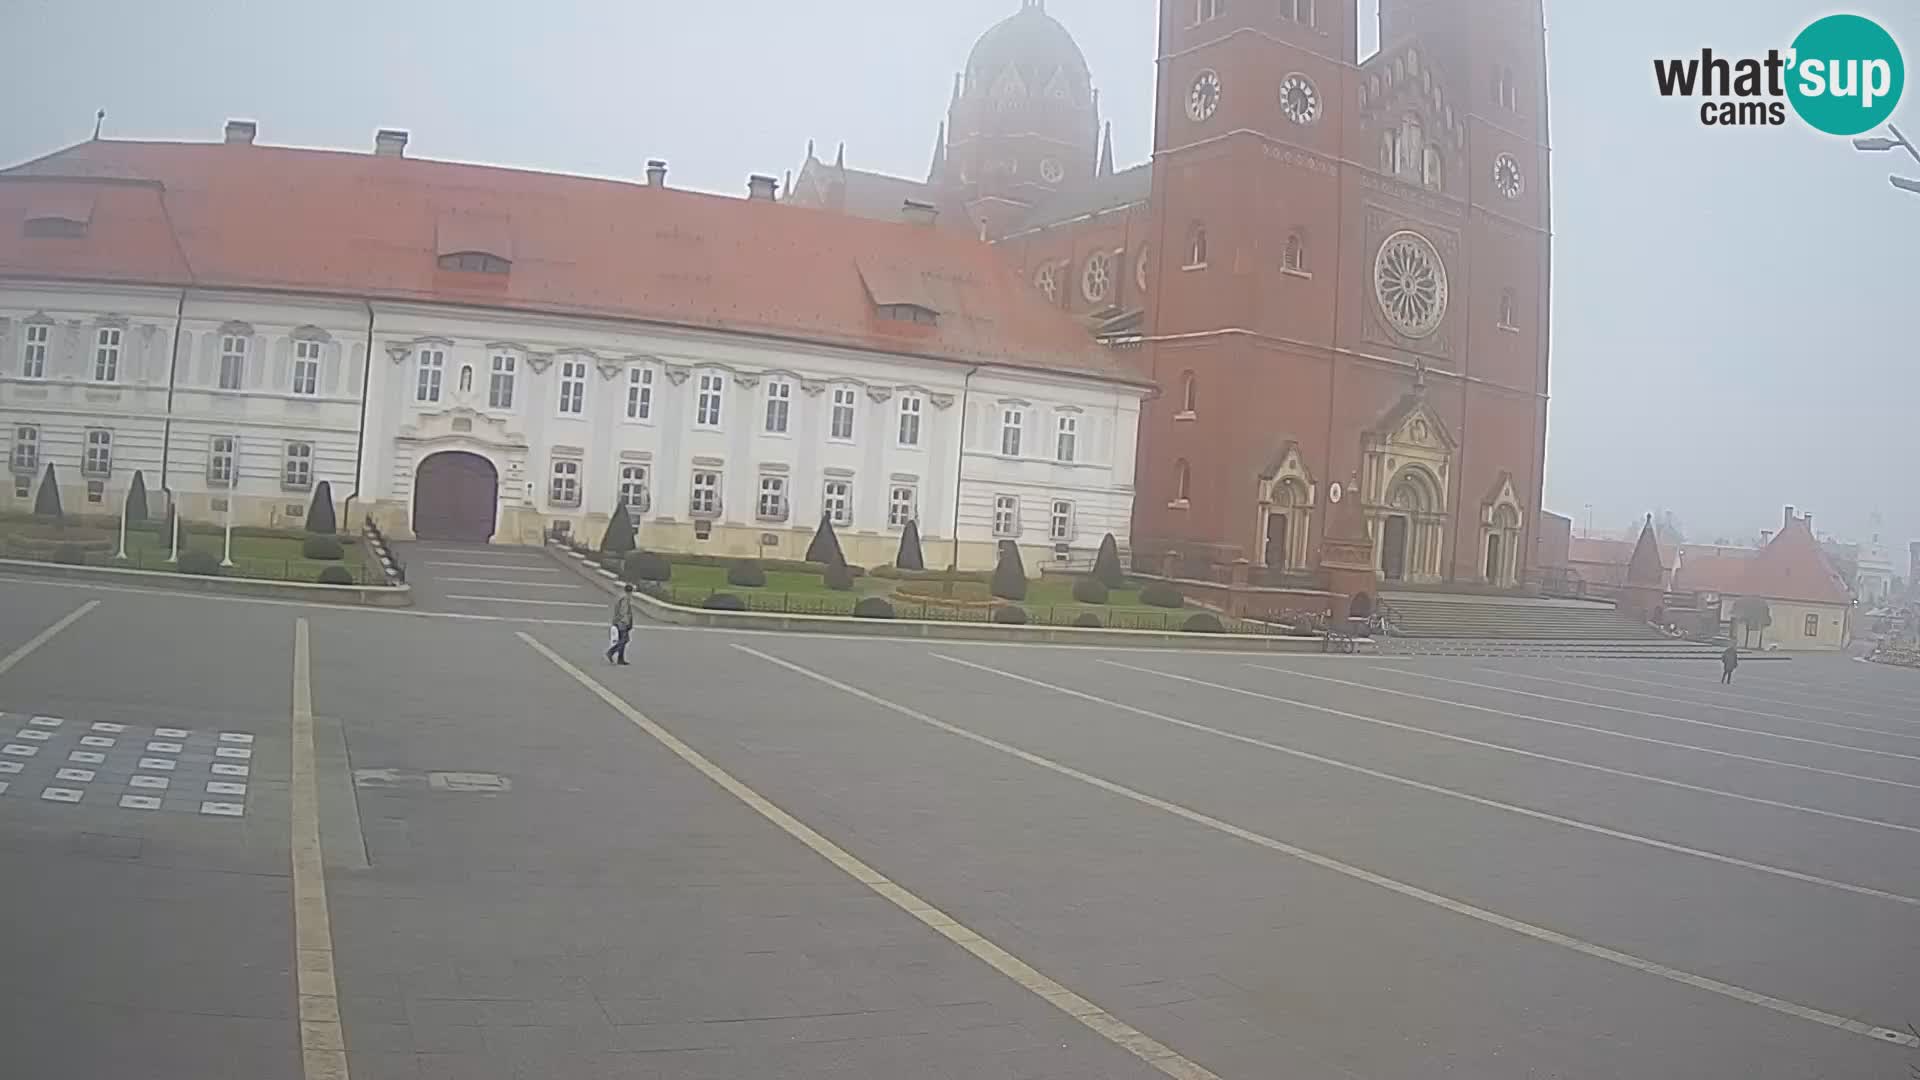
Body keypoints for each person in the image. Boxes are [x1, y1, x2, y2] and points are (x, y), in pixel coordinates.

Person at [607, 584, 636, 666]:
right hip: (622, 623)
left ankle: (620, 659)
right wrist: (626, 623)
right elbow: (623, 612)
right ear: (630, 591)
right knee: (624, 640)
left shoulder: (621, 597)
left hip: (619, 622)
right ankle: (611, 652)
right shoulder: (625, 599)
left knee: (623, 639)